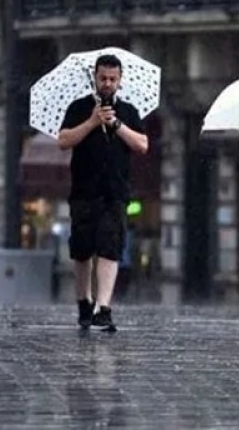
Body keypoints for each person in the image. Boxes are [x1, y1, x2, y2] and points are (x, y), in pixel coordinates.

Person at [58, 54, 148, 331]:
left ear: (120, 81)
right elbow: (63, 140)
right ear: (95, 78)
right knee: (83, 250)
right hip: (84, 190)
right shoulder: (78, 107)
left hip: (116, 191)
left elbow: (142, 144)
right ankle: (84, 301)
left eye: (112, 79)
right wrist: (92, 123)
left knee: (110, 248)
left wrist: (117, 125)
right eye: (103, 79)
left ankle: (104, 306)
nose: (107, 84)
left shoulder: (129, 111)